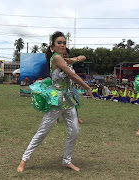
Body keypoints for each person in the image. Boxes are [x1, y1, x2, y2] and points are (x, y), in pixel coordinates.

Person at [17, 31, 95, 172]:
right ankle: (24, 160)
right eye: (59, 42)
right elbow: (71, 75)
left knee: (74, 131)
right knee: (43, 131)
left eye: (64, 43)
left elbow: (83, 57)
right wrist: (87, 87)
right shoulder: (57, 57)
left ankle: (67, 160)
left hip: (67, 99)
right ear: (52, 45)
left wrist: (73, 59)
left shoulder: (65, 59)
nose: (63, 45)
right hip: (56, 100)